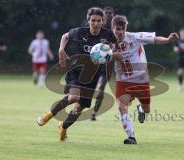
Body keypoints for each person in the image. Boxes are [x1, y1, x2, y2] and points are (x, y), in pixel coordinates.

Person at [37, 7, 121, 141]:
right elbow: (65, 36)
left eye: (99, 21)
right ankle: (49, 114)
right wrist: (60, 50)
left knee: (79, 108)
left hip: (93, 75)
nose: (96, 23)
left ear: (103, 21)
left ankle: (63, 128)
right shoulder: (80, 32)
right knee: (73, 97)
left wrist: (110, 51)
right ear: (88, 20)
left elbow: (116, 47)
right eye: (93, 20)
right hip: (76, 70)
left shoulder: (108, 34)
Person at [111, 15, 179, 144]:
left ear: (125, 28)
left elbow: (155, 39)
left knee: (147, 109)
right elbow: (102, 56)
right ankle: (131, 137)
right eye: (116, 29)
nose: (119, 32)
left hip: (141, 80)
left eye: (122, 29)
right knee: (122, 107)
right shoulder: (108, 42)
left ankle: (141, 110)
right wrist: (106, 55)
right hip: (123, 80)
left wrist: (168, 40)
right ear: (112, 28)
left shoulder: (135, 37)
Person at [91, 6, 115, 121]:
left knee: (100, 88)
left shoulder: (115, 31)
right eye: (107, 14)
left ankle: (94, 112)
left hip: (106, 66)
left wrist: (113, 48)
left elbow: (118, 48)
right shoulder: (94, 28)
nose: (109, 16)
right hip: (92, 65)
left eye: (111, 14)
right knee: (89, 89)